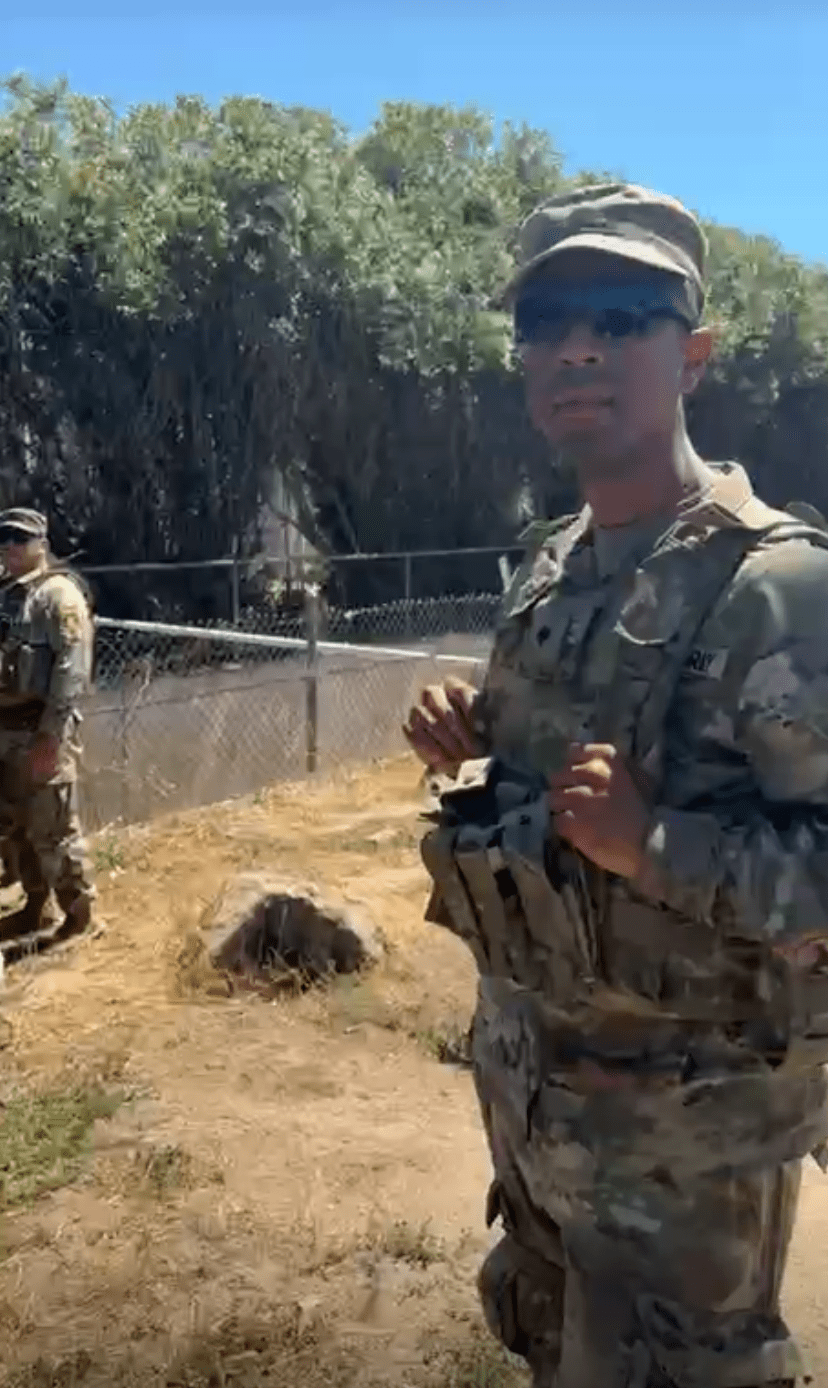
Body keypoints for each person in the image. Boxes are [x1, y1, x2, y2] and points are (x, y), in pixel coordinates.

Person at [403, 183, 828, 1387]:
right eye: (546, 321)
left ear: (693, 355)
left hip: (686, 1154)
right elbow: (544, 795)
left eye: (621, 316)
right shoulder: (550, 569)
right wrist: (471, 733)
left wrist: (655, 847)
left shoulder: (781, 587)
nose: (577, 346)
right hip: (537, 1111)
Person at [0, 507, 97, 949]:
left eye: (20, 539)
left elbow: (72, 671)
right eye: (4, 540)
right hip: (6, 733)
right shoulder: (8, 594)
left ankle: (79, 918)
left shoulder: (58, 596)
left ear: (41, 543)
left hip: (39, 731)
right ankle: (36, 906)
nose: (10, 547)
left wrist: (50, 738)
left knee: (53, 830)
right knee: (16, 830)